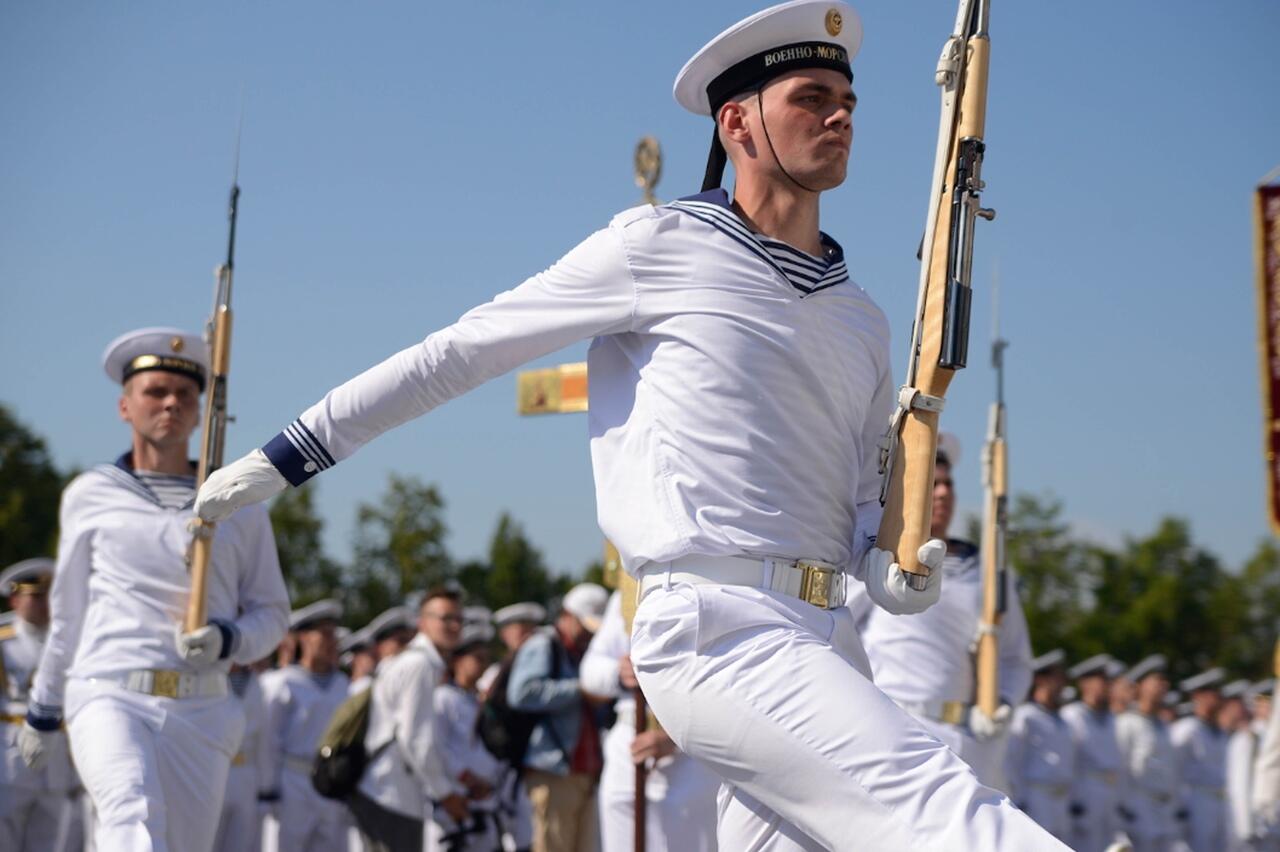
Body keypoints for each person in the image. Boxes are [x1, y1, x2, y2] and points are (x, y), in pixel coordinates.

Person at [192, 2, 1068, 847]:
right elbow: (460, 353)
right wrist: (292, 453)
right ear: (738, 122)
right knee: (933, 798)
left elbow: (864, 494)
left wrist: (892, 555)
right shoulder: (657, 246)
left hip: (828, 638)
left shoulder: (865, 318)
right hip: (716, 625)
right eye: (810, 98)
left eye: (846, 103)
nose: (838, 116)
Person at [17, 327, 289, 852]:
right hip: (110, 691)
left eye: (186, 394)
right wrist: (43, 709)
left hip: (203, 709)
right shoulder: (91, 494)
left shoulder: (242, 504)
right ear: (125, 406)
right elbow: (67, 614)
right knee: (132, 816)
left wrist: (229, 640)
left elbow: (272, 614)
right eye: (156, 391)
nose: (172, 403)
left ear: (202, 408)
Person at [851, 435, 1032, 790]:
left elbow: (1014, 658)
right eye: (932, 484)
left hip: (968, 739)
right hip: (896, 728)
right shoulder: (879, 557)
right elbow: (837, 626)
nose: (944, 493)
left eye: (948, 484)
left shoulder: (987, 572)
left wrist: (1003, 703)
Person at [579, 590, 718, 852]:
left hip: (693, 743)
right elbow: (590, 669)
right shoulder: (629, 589)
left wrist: (679, 734)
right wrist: (618, 673)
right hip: (629, 737)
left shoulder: (711, 579)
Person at [352, 587, 467, 852]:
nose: (454, 626)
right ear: (422, 622)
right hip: (390, 794)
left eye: (459, 619)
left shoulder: (414, 661)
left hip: (389, 791)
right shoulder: (419, 665)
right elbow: (415, 739)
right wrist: (445, 793)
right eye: (445, 618)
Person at [508, 583, 609, 852]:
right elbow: (521, 693)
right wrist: (580, 689)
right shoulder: (543, 645)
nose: (589, 633)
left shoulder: (578, 651)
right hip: (552, 772)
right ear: (567, 614)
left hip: (580, 772)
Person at [0, 558, 83, 851]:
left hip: (57, 766)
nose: (45, 604)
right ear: (14, 597)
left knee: (49, 844)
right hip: (10, 762)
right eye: (35, 596)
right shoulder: (4, 640)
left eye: (49, 594)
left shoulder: (70, 641)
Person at [263, 599, 353, 852]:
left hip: (331, 780)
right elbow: (270, 741)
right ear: (303, 637)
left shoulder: (342, 685)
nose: (331, 641)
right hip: (294, 778)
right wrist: (269, 789)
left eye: (333, 634)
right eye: (323, 634)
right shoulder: (283, 683)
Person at [428, 623, 505, 851]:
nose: (482, 662)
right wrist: (467, 777)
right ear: (457, 661)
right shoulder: (442, 698)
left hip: (485, 802)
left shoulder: (480, 701)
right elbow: (437, 746)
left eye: (485, 657)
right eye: (476, 657)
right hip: (455, 804)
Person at [1005, 650, 1076, 842]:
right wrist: (1018, 800)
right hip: (1036, 797)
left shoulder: (1063, 721)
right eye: (1056, 678)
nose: (1062, 684)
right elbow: (1012, 761)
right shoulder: (1026, 716)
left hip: (1060, 800)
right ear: (1041, 680)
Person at [1060, 654, 1127, 852]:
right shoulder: (1072, 715)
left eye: (1109, 682)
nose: (1108, 686)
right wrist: (1074, 800)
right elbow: (1068, 761)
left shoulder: (1111, 718)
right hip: (1085, 793)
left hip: (1109, 792)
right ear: (1085, 684)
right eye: (1102, 681)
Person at [1116, 655, 1180, 852]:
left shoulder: (1163, 726)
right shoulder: (1127, 723)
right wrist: (1125, 809)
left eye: (1164, 682)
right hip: (1138, 807)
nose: (1163, 686)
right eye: (1157, 681)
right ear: (1141, 686)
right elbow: (1121, 769)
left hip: (1163, 809)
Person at [213, 663, 270, 852]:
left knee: (242, 843)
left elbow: (264, 739)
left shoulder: (256, 684)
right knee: (209, 840)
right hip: (215, 769)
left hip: (247, 772)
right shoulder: (210, 677)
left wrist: (265, 788)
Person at [1172, 667, 1230, 851]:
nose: (1217, 698)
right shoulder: (1187, 729)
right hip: (1197, 800)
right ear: (1198, 696)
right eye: (1212, 693)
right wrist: (1179, 805)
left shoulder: (1220, 732)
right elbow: (1174, 769)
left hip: (1219, 800)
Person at [1227, 680, 1269, 851]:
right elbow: (1240, 785)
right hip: (1257, 825)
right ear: (1257, 706)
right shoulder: (1248, 739)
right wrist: (1245, 827)